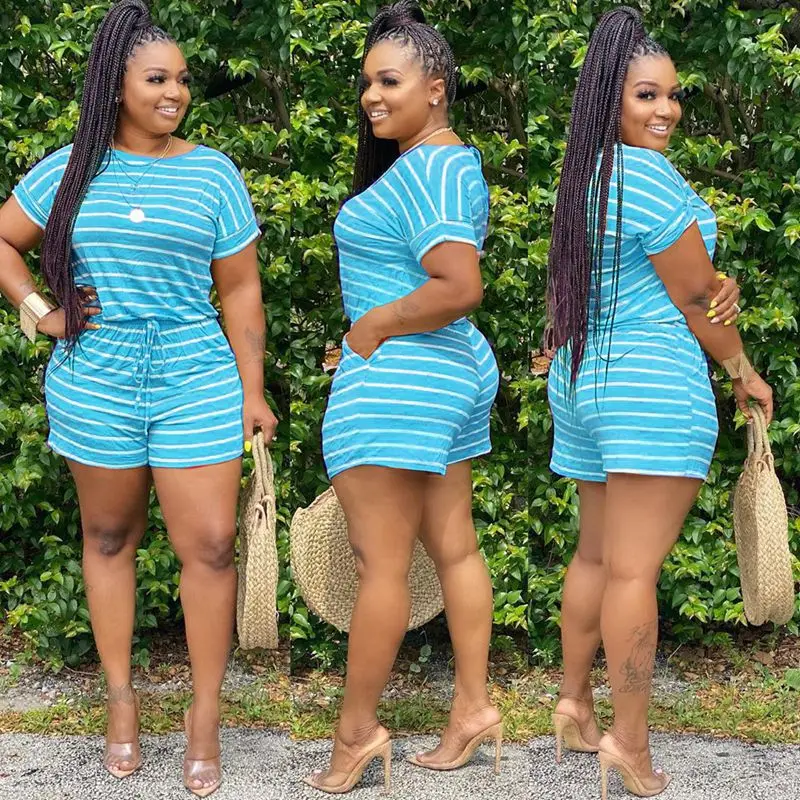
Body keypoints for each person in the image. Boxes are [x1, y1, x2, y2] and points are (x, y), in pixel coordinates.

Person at [0, 1, 277, 796]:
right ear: (115, 86)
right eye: (157, 79)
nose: (175, 92)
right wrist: (42, 311)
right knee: (110, 535)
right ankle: (121, 700)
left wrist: (252, 391)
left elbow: (241, 289)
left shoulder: (213, 173)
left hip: (196, 376)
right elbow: (5, 240)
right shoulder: (69, 170)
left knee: (212, 546)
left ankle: (203, 714)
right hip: (96, 378)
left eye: (182, 80)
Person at [545, 7, 772, 798]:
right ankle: (630, 746)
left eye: (673, 96)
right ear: (611, 98)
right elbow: (694, 296)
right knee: (634, 570)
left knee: (596, 556)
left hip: (585, 378)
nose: (666, 110)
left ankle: (575, 705)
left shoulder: (587, 177)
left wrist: (709, 285)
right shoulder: (644, 176)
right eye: (647, 95)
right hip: (649, 381)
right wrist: (742, 369)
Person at [305, 0, 502, 793]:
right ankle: (472, 708)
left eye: (389, 81)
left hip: (403, 379)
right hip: (444, 374)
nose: (371, 97)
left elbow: (458, 285)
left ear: (437, 87)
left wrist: (373, 327)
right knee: (454, 548)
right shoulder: (440, 165)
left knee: (379, 567)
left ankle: (355, 735)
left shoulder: (434, 167)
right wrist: (371, 325)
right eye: (367, 83)